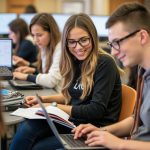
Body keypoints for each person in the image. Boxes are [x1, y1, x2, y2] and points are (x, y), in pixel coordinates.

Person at [9, 13, 122, 150]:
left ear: (93, 37)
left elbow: (95, 110)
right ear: (66, 43)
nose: (78, 47)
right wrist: (42, 100)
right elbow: (72, 95)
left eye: (84, 40)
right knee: (28, 125)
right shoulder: (76, 61)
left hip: (92, 129)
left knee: (37, 146)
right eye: (72, 42)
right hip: (75, 123)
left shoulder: (104, 63)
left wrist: (53, 106)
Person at [72, 2, 150, 150]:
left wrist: (120, 144)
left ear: (142, 36)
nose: (113, 52)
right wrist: (102, 132)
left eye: (117, 42)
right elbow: (137, 120)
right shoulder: (143, 72)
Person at [13, 13, 62, 92]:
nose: (35, 40)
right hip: (50, 91)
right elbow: (46, 73)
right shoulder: (46, 46)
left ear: (51, 32)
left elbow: (51, 81)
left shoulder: (60, 48)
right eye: (33, 35)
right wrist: (33, 70)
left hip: (58, 94)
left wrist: (26, 76)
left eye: (39, 35)